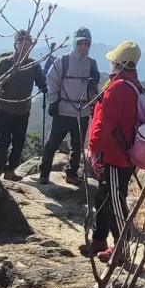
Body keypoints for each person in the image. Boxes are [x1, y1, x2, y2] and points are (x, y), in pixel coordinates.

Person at [82, 40, 142, 262]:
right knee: (103, 198)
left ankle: (121, 250)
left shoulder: (118, 88)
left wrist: (94, 148)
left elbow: (104, 123)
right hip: (119, 153)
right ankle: (99, 240)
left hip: (116, 156)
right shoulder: (130, 84)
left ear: (118, 63)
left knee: (114, 202)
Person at [39, 26, 100, 185]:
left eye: (86, 43)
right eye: (80, 43)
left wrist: (94, 101)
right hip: (63, 110)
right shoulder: (63, 61)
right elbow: (52, 80)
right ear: (75, 43)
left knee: (78, 146)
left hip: (83, 112)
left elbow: (95, 90)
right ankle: (44, 173)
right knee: (53, 142)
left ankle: (71, 174)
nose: (83, 46)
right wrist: (53, 102)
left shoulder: (92, 64)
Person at [0, 30, 46, 176]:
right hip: (4, 108)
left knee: (19, 142)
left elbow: (40, 81)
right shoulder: (5, 63)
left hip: (23, 110)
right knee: (3, 141)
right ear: (15, 45)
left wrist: (44, 85)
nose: (25, 46)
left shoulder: (33, 65)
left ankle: (10, 170)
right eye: (21, 43)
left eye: (28, 43)